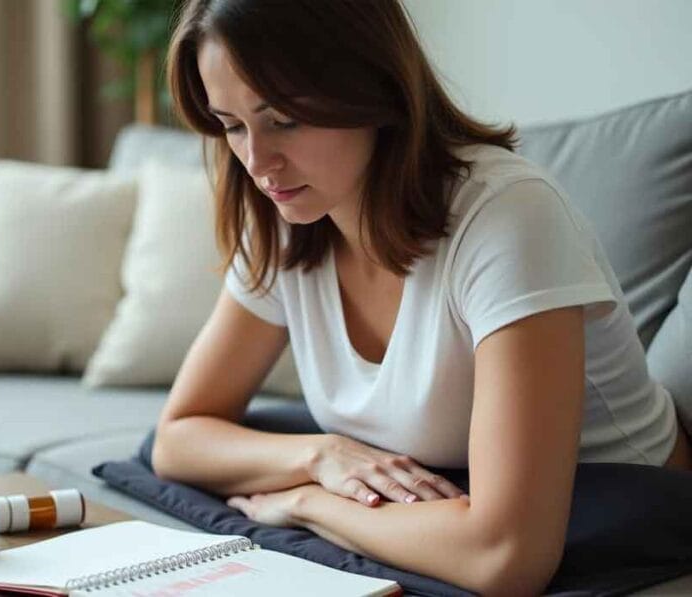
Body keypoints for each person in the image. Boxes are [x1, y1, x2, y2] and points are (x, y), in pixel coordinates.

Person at [150, 0, 692, 594]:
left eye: (283, 119)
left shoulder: (507, 214)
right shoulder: (284, 213)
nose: (257, 161)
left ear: (370, 89)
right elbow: (178, 437)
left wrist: (310, 505)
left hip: (610, 498)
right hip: (437, 481)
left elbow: (506, 558)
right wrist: (319, 456)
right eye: (231, 125)